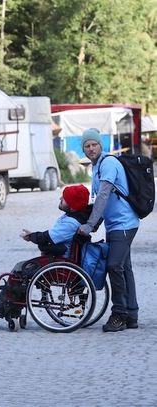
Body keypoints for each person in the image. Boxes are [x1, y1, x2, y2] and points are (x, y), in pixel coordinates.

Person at [0, 184, 91, 318]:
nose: (60, 198)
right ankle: (12, 306)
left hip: (60, 265)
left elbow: (49, 237)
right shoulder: (73, 218)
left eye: (64, 198)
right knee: (24, 268)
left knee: (20, 269)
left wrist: (31, 237)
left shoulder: (70, 222)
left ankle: (4, 306)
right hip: (60, 259)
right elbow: (50, 235)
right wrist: (34, 235)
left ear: (72, 205)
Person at [77, 128, 139, 332]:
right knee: (124, 267)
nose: (91, 148)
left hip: (124, 224)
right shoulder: (95, 168)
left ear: (100, 145)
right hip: (114, 225)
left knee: (114, 266)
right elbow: (99, 202)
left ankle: (119, 315)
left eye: (94, 144)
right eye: (87, 146)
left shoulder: (109, 163)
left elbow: (103, 196)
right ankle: (131, 314)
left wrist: (90, 225)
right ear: (83, 149)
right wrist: (91, 224)